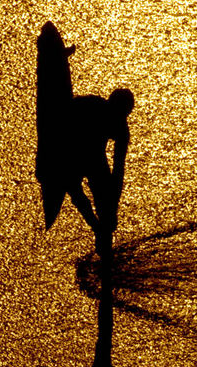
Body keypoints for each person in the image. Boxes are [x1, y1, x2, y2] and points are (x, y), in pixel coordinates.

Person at [66, 87, 134, 254]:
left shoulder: (121, 129)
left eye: (123, 115)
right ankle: (96, 228)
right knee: (73, 188)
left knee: (107, 212)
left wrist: (112, 206)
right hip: (72, 151)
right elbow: (63, 114)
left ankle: (103, 240)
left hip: (96, 158)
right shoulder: (89, 105)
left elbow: (118, 170)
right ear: (109, 104)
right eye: (117, 113)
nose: (119, 118)